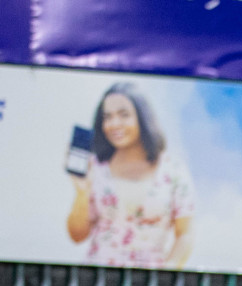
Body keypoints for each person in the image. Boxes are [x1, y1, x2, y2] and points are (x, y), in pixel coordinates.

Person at [66, 82, 194, 269]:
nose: (114, 124)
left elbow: (185, 234)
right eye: (107, 117)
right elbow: (77, 236)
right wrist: (81, 192)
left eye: (123, 115)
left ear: (142, 118)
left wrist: (165, 277)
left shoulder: (172, 170)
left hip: (150, 283)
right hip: (98, 281)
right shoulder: (96, 168)